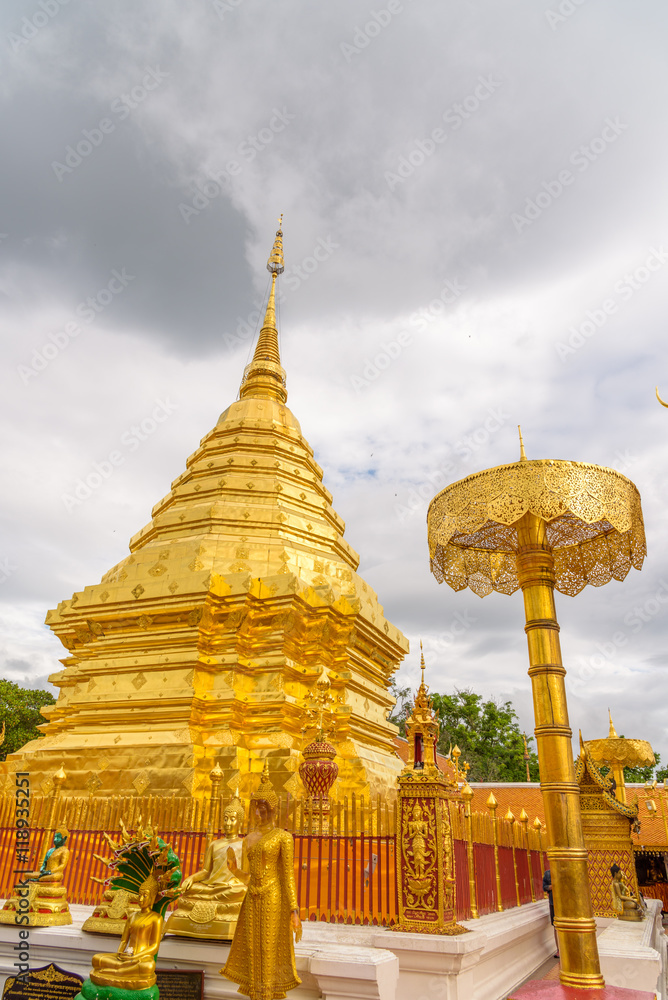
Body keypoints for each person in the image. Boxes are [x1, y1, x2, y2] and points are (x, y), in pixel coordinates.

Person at [221, 762, 302, 1000]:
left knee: (269, 948)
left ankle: (268, 994)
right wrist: (234, 870)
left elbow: (288, 875)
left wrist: (294, 910)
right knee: (252, 948)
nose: (259, 813)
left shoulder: (283, 838)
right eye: (256, 808)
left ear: (274, 810)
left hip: (273, 896)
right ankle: (255, 994)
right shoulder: (249, 839)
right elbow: (248, 876)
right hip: (252, 897)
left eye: (264, 808)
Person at [166, 796, 247, 939]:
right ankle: (211, 901)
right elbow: (206, 871)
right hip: (211, 888)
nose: (228, 823)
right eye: (226, 819)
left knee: (242, 891)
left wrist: (236, 878)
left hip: (230, 888)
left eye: (232, 819)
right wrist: (191, 878)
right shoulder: (215, 844)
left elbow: (246, 875)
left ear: (240, 822)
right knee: (191, 890)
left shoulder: (244, 845)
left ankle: (215, 900)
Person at [90, 876, 163, 990]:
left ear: (152, 898)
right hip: (126, 956)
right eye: (139, 895)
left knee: (148, 967)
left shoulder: (156, 918)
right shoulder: (132, 916)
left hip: (142, 958)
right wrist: (120, 953)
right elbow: (124, 940)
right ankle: (119, 969)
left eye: (145, 895)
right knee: (97, 958)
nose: (141, 899)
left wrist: (136, 956)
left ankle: (113, 971)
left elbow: (154, 946)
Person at [543, 868, 558, 958]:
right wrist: (550, 887)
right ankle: (559, 949)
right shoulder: (548, 874)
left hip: (565, 903)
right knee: (556, 926)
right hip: (553, 903)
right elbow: (544, 887)